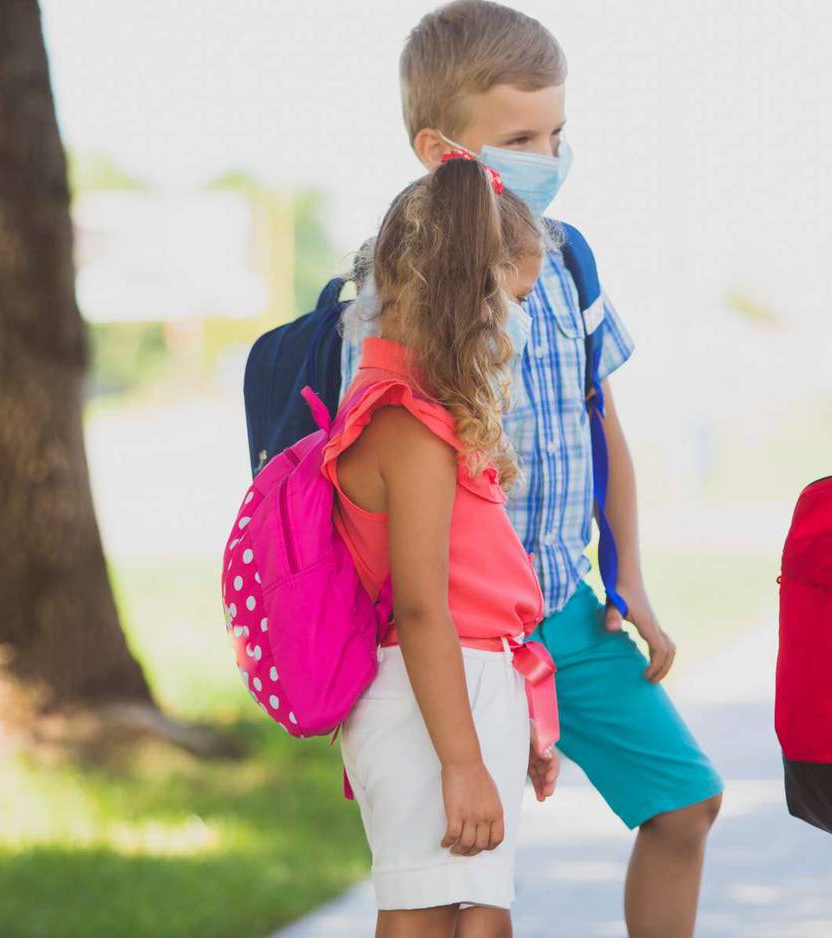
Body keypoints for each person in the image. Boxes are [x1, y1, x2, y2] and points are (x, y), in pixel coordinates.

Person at [340, 4, 724, 935]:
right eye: (520, 138)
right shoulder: (394, 284)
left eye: (556, 132)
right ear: (439, 148)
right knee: (454, 889)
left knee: (686, 801)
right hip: (454, 632)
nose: (547, 156)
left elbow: (604, 425)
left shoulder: (565, 260)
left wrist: (630, 578)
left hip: (565, 604)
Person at [323, 154, 558, 938]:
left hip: (463, 688)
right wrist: (463, 761)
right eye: (518, 298)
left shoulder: (416, 407)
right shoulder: (407, 424)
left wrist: (515, 725)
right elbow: (423, 610)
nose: (520, 322)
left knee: (479, 918)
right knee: (433, 919)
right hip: (434, 693)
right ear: (472, 293)